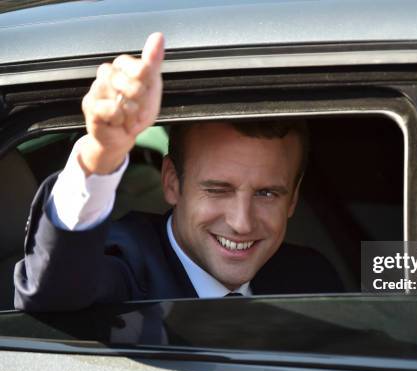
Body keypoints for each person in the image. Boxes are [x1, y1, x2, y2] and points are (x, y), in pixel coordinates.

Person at [14, 33, 342, 311]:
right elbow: (57, 291)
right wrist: (101, 155)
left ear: (294, 199)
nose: (242, 223)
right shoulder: (123, 261)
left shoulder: (311, 278)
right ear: (172, 181)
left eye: (267, 193)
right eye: (217, 189)